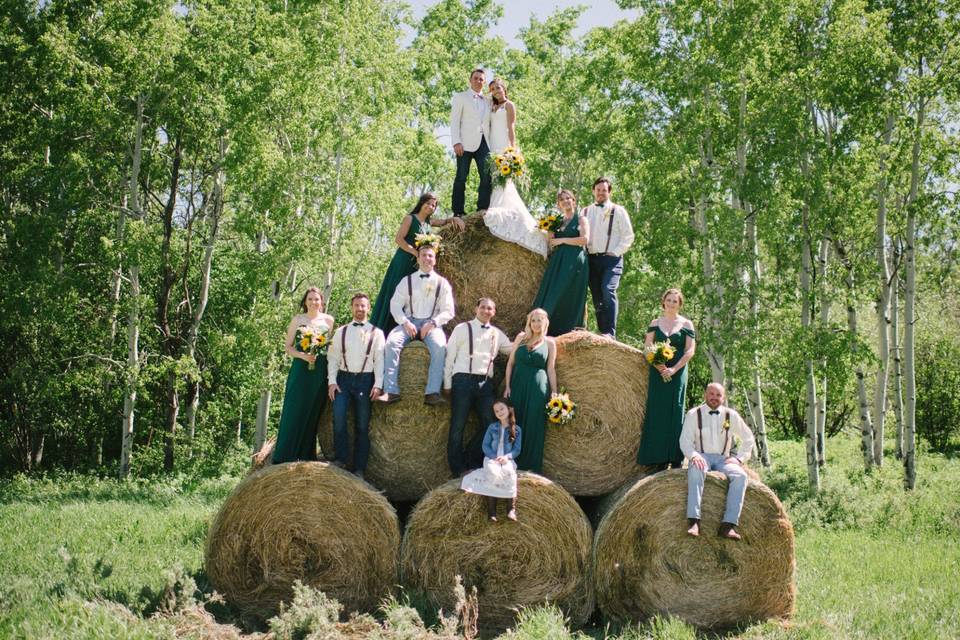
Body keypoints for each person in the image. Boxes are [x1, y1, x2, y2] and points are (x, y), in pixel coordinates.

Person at [370, 193, 463, 333]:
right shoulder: (410, 218)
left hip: (418, 264)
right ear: (422, 203)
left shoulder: (428, 223)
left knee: (411, 294)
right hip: (403, 260)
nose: (431, 207)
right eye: (429, 203)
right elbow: (399, 239)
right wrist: (415, 253)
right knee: (395, 292)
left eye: (434, 205)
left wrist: (454, 219)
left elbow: (443, 222)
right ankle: (384, 329)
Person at [443, 298, 513, 477]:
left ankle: (472, 461)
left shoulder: (497, 334)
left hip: (485, 385)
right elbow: (449, 356)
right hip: (462, 381)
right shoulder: (462, 329)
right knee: (458, 426)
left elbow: (512, 349)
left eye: (490, 309)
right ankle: (457, 470)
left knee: (491, 424)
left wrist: (530, 338)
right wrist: (447, 384)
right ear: (476, 309)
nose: (486, 311)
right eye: (483, 307)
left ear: (494, 312)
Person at [379, 244, 455, 406]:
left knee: (440, 347)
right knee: (392, 343)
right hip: (409, 322)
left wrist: (433, 323)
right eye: (424, 255)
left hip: (432, 324)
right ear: (418, 258)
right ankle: (391, 391)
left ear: (434, 260)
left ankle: (432, 392)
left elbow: (449, 311)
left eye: (430, 256)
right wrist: (405, 322)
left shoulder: (442, 283)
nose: (427, 258)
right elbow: (395, 305)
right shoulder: (407, 281)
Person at [481, 77, 547, 257]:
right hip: (492, 146)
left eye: (498, 87)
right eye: (493, 89)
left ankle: (505, 210)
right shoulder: (491, 106)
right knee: (493, 178)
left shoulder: (509, 105)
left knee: (504, 180)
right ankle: (493, 205)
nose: (496, 91)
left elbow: (511, 127)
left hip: (503, 144)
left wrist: (512, 150)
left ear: (504, 88)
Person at [680, 383, 756, 540]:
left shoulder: (731, 415)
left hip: (724, 459)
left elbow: (749, 438)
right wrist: (693, 456)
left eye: (718, 395)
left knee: (741, 476)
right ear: (705, 395)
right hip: (702, 456)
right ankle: (694, 521)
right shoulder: (694, 414)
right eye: (711, 394)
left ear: (723, 398)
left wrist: (739, 459)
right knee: (696, 470)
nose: (714, 397)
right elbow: (685, 440)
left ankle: (728, 525)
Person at [326, 293, 385, 480]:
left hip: (365, 381)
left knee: (362, 425)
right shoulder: (340, 332)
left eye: (363, 306)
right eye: (357, 306)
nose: (360, 309)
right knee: (339, 418)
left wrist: (378, 384)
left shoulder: (377, 333)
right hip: (343, 380)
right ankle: (341, 460)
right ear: (351, 307)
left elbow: (380, 361)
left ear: (368, 308)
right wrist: (332, 381)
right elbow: (333, 358)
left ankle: (360, 468)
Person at [273, 287, 335, 464]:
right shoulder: (298, 320)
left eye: (316, 299)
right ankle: (285, 454)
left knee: (312, 410)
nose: (313, 302)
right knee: (295, 408)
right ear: (305, 302)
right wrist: (303, 356)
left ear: (322, 301)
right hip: (301, 368)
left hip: (320, 369)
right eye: (310, 299)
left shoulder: (329, 320)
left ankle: (306, 453)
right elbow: (288, 347)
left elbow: (328, 346)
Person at [636, 288, 697, 468]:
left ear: (679, 304)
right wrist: (658, 366)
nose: (671, 304)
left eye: (675, 301)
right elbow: (647, 347)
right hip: (658, 373)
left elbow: (690, 350)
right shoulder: (655, 322)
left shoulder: (687, 324)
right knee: (657, 411)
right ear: (663, 302)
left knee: (675, 412)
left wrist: (674, 369)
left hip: (677, 373)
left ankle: (675, 458)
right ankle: (657, 458)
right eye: (668, 300)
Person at [531, 189, 590, 336]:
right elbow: (551, 242)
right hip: (558, 261)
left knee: (569, 295)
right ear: (559, 204)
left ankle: (569, 332)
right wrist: (548, 232)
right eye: (562, 199)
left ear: (573, 201)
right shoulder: (557, 222)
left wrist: (562, 240)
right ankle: (542, 330)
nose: (566, 201)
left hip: (574, 261)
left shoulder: (582, 219)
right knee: (551, 294)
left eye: (568, 198)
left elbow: (584, 240)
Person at [505, 309, 557, 473]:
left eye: (539, 320)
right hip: (518, 384)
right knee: (514, 421)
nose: (536, 324)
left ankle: (530, 467)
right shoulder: (521, 338)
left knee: (534, 424)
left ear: (545, 322)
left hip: (537, 387)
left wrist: (554, 392)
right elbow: (510, 364)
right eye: (533, 320)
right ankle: (509, 462)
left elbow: (551, 369)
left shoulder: (549, 343)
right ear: (529, 323)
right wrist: (507, 386)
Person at [584, 177, 635, 337]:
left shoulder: (619, 211)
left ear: (609, 192)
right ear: (593, 191)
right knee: (597, 297)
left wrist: (615, 252)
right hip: (591, 259)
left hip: (611, 260)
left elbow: (628, 236)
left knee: (608, 289)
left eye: (604, 190)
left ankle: (610, 332)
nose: (601, 193)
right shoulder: (585, 211)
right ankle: (603, 331)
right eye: (598, 190)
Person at [461, 398, 523, 522]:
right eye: (496, 411)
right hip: (491, 458)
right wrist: (494, 457)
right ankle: (491, 512)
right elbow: (485, 445)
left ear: (509, 409)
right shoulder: (492, 427)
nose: (500, 412)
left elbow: (517, 449)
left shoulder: (517, 429)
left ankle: (511, 509)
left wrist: (507, 457)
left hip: (507, 459)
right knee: (492, 473)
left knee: (509, 473)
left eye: (502, 409)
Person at [450, 67, 492, 217]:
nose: (478, 81)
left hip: (484, 143)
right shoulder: (460, 97)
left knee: (487, 176)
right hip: (464, 143)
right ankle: (458, 211)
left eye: (481, 79)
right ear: (470, 80)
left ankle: (482, 209)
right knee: (461, 177)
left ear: (484, 82)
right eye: (475, 78)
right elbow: (454, 121)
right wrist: (456, 142)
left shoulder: (488, 100)